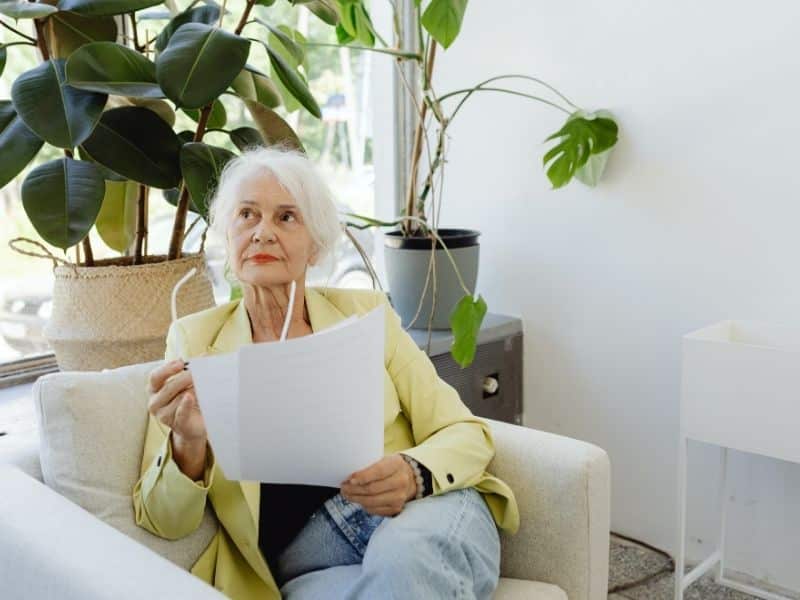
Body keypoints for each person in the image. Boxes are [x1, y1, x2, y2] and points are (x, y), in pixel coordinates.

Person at [133, 145, 519, 600]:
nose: (262, 233)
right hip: (310, 557)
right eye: (247, 215)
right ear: (228, 239)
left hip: (420, 512)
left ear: (314, 246)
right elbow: (164, 520)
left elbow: (465, 432)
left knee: (406, 558)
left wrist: (414, 472)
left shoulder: (367, 314)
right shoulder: (194, 340)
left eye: (286, 217)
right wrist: (188, 442)